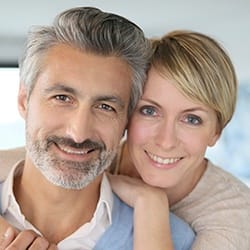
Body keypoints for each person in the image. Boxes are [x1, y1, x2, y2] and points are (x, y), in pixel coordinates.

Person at [0, 7, 195, 250]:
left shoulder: (175, 239)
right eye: (62, 98)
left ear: (127, 121)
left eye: (105, 106)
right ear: (23, 100)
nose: (78, 133)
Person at [108, 30, 250, 249]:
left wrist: (150, 203)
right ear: (127, 114)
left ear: (216, 132)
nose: (166, 141)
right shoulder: (94, 159)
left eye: (192, 119)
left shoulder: (235, 218)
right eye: (149, 111)